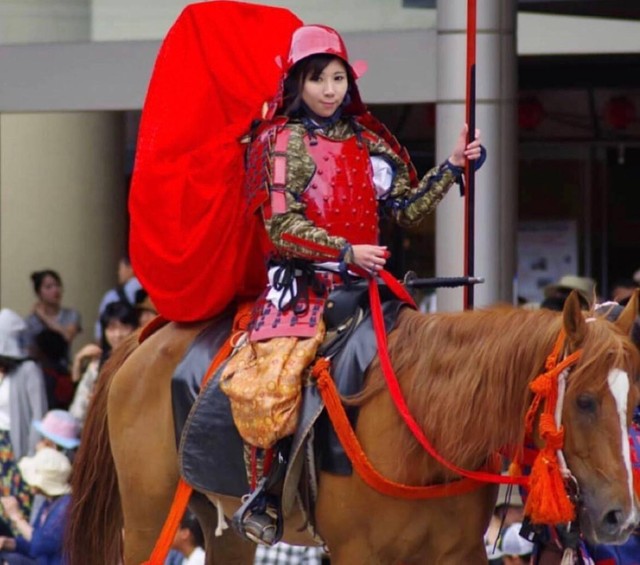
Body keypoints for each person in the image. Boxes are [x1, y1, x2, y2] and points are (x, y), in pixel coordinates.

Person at [217, 24, 484, 546]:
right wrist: (344, 251)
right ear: (297, 83)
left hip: (367, 288)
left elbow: (406, 209)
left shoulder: (370, 140)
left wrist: (452, 167)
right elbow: (281, 226)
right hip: (299, 289)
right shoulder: (279, 140)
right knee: (270, 381)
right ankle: (264, 495)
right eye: (318, 79)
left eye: (338, 77)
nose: (330, 89)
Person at [0, 309, 48, 528]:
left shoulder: (29, 370)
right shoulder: (5, 371)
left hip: (16, 445)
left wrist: (31, 455)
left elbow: (39, 415)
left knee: (17, 501)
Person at [69, 301, 138, 428]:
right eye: (111, 328)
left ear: (134, 328)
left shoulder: (140, 363)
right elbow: (78, 408)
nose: (117, 334)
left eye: (124, 327)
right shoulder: (97, 365)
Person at [0, 447, 72, 565]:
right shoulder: (49, 503)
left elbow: (40, 545)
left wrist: (17, 517)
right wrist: (8, 542)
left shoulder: (66, 507)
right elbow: (31, 544)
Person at [23, 270, 81, 363]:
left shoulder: (71, 314)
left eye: (57, 285)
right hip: (39, 369)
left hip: (63, 368)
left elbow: (67, 336)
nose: (55, 290)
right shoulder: (31, 321)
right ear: (39, 293)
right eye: (48, 287)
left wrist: (43, 316)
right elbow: (29, 350)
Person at [94, 256, 142, 340]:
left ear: (131, 268)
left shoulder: (112, 296)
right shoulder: (153, 292)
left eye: (120, 269)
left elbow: (99, 331)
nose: (118, 273)